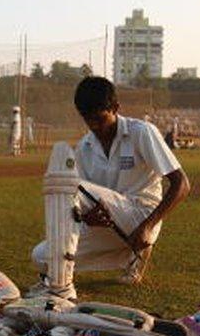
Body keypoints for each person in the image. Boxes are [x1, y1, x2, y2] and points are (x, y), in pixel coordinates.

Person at [30, 77, 190, 299]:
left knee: (69, 183)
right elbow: (82, 203)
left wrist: (147, 226)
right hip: (110, 225)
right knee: (40, 256)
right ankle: (131, 256)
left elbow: (182, 184)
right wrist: (89, 217)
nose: (95, 126)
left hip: (140, 215)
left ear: (115, 108)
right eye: (88, 120)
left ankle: (62, 287)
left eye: (99, 119)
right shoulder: (85, 148)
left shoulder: (141, 132)